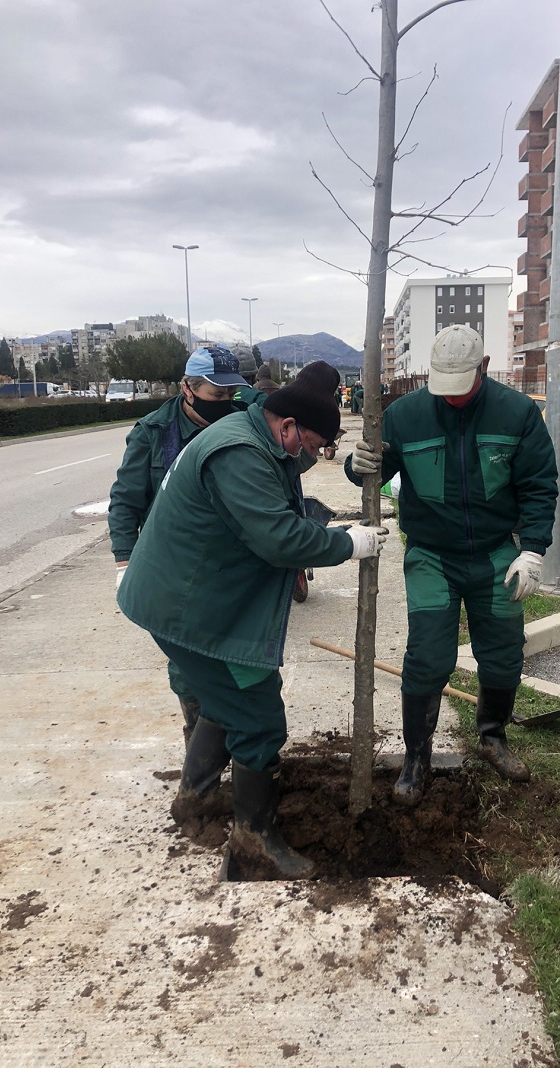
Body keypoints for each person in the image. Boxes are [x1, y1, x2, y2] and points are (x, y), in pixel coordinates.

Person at [117, 364, 388, 879]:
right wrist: (346, 543)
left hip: (189, 600)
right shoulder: (238, 453)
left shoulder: (255, 434)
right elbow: (279, 538)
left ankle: (194, 802)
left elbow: (288, 474)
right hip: (187, 610)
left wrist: (356, 459)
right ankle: (254, 840)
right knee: (258, 715)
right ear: (285, 426)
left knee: (225, 701)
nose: (308, 457)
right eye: (307, 445)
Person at [345, 325, 557, 805]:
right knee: (428, 658)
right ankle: (416, 756)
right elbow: (374, 472)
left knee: (503, 653)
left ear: (483, 368)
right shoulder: (405, 416)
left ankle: (492, 736)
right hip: (431, 555)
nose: (452, 398)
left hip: (496, 553)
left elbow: (541, 485)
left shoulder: (518, 414)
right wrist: (355, 463)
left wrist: (533, 549)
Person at [108, 346, 249, 747]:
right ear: (187, 388)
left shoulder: (240, 426)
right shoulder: (153, 433)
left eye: (230, 396)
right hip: (173, 566)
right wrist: (124, 561)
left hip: (227, 560)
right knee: (187, 662)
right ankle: (199, 745)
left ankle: (236, 741)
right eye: (215, 395)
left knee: (237, 656)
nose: (225, 404)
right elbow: (126, 501)